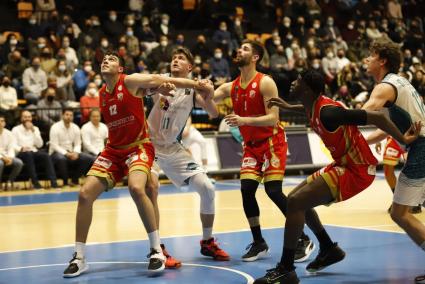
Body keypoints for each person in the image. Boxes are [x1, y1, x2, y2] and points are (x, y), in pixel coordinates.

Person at [253, 69, 421, 284]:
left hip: (357, 170)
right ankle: (328, 248)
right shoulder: (312, 105)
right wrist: (288, 106)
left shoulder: (328, 113)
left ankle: (286, 269)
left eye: (297, 81)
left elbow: (378, 116)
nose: (293, 83)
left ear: (307, 89)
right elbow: (306, 107)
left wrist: (403, 138)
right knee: (295, 199)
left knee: (295, 202)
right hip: (344, 163)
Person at [63, 52, 215, 277]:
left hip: (140, 146)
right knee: (85, 195)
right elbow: (155, 86)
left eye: (112, 59)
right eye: (103, 59)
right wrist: (158, 89)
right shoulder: (103, 93)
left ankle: (156, 251)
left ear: (121, 69)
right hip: (114, 151)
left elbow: (168, 84)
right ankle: (79, 256)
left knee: (139, 188)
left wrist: (200, 85)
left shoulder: (131, 80)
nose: (106, 60)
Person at [213, 40, 314, 263]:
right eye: (239, 48)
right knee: (247, 189)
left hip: (272, 142)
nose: (239, 50)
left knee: (273, 191)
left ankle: (303, 239)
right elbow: (210, 95)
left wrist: (243, 120)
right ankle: (259, 242)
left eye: (245, 49)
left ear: (256, 57)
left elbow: (273, 118)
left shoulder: (265, 82)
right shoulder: (232, 86)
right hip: (251, 146)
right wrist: (195, 87)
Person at [145, 47, 229, 268]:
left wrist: (209, 95)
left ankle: (208, 241)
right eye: (173, 58)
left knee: (208, 188)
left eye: (181, 58)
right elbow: (149, 86)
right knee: (152, 189)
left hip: (173, 148)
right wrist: (160, 87)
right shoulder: (161, 81)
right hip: (149, 146)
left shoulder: (193, 92)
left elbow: (213, 113)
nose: (175, 60)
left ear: (189, 67)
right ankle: (157, 248)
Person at [361, 38, 425, 284]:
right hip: (420, 143)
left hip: (420, 148)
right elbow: (390, 125)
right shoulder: (399, 83)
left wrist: (330, 115)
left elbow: (364, 114)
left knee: (400, 214)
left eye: (371, 55)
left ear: (382, 60)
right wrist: (365, 142)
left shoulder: (385, 86)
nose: (367, 59)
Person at [12, 110, 58, 189]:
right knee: (28, 154)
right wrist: (21, 148)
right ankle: (35, 183)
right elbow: (13, 144)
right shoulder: (15, 129)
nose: (27, 119)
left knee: (46, 156)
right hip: (21, 153)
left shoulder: (35, 129)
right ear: (21, 119)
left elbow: (40, 144)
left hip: (33, 151)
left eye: (29, 117)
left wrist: (33, 131)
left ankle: (54, 183)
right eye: (25, 117)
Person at [376, 136, 422, 213]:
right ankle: (398, 200)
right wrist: (378, 139)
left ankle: (414, 200)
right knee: (387, 167)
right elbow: (386, 124)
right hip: (394, 137)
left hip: (413, 136)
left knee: (413, 167)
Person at [49, 109, 94, 187]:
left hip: (72, 151)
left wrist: (76, 152)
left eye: (71, 115)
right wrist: (66, 154)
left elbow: (78, 143)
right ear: (62, 115)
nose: (69, 117)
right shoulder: (55, 127)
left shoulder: (75, 127)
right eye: (67, 115)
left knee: (88, 158)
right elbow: (54, 145)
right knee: (61, 159)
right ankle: (65, 182)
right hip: (56, 153)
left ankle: (74, 180)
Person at [0, 114, 23, 190]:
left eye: (2, 121)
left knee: (19, 163)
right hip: (1, 157)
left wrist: (10, 157)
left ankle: (9, 182)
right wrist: (3, 158)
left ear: (5, 123)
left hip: (7, 156)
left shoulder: (9, 133)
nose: (0, 123)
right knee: (0, 163)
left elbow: (11, 147)